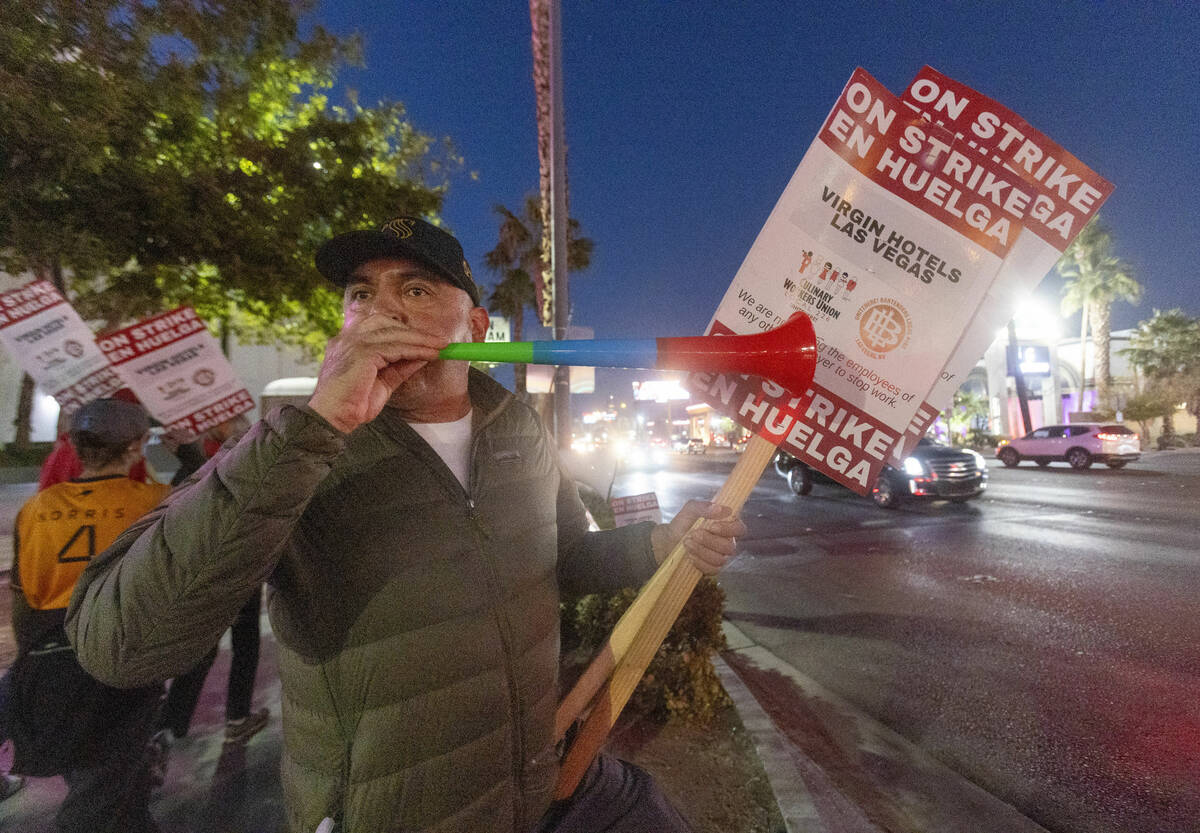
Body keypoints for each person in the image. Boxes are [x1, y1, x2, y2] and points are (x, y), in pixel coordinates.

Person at [66, 216, 745, 833]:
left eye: (415, 289)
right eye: (360, 294)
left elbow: (562, 560)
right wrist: (316, 427)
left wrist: (662, 543)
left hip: (538, 780)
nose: (380, 309)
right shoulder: (293, 450)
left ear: (475, 329)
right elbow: (122, 642)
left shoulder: (519, 432)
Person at [10, 398, 170, 832]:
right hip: (121, 655)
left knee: (109, 786)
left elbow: (22, 601)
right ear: (136, 448)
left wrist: (32, 661)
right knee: (100, 794)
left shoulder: (36, 510)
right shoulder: (157, 503)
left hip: (53, 659)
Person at [155, 414, 269, 755]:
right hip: (235, 565)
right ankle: (235, 718)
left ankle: (172, 721)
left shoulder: (189, 456)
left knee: (205, 646)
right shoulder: (232, 456)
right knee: (243, 644)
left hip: (205, 568)